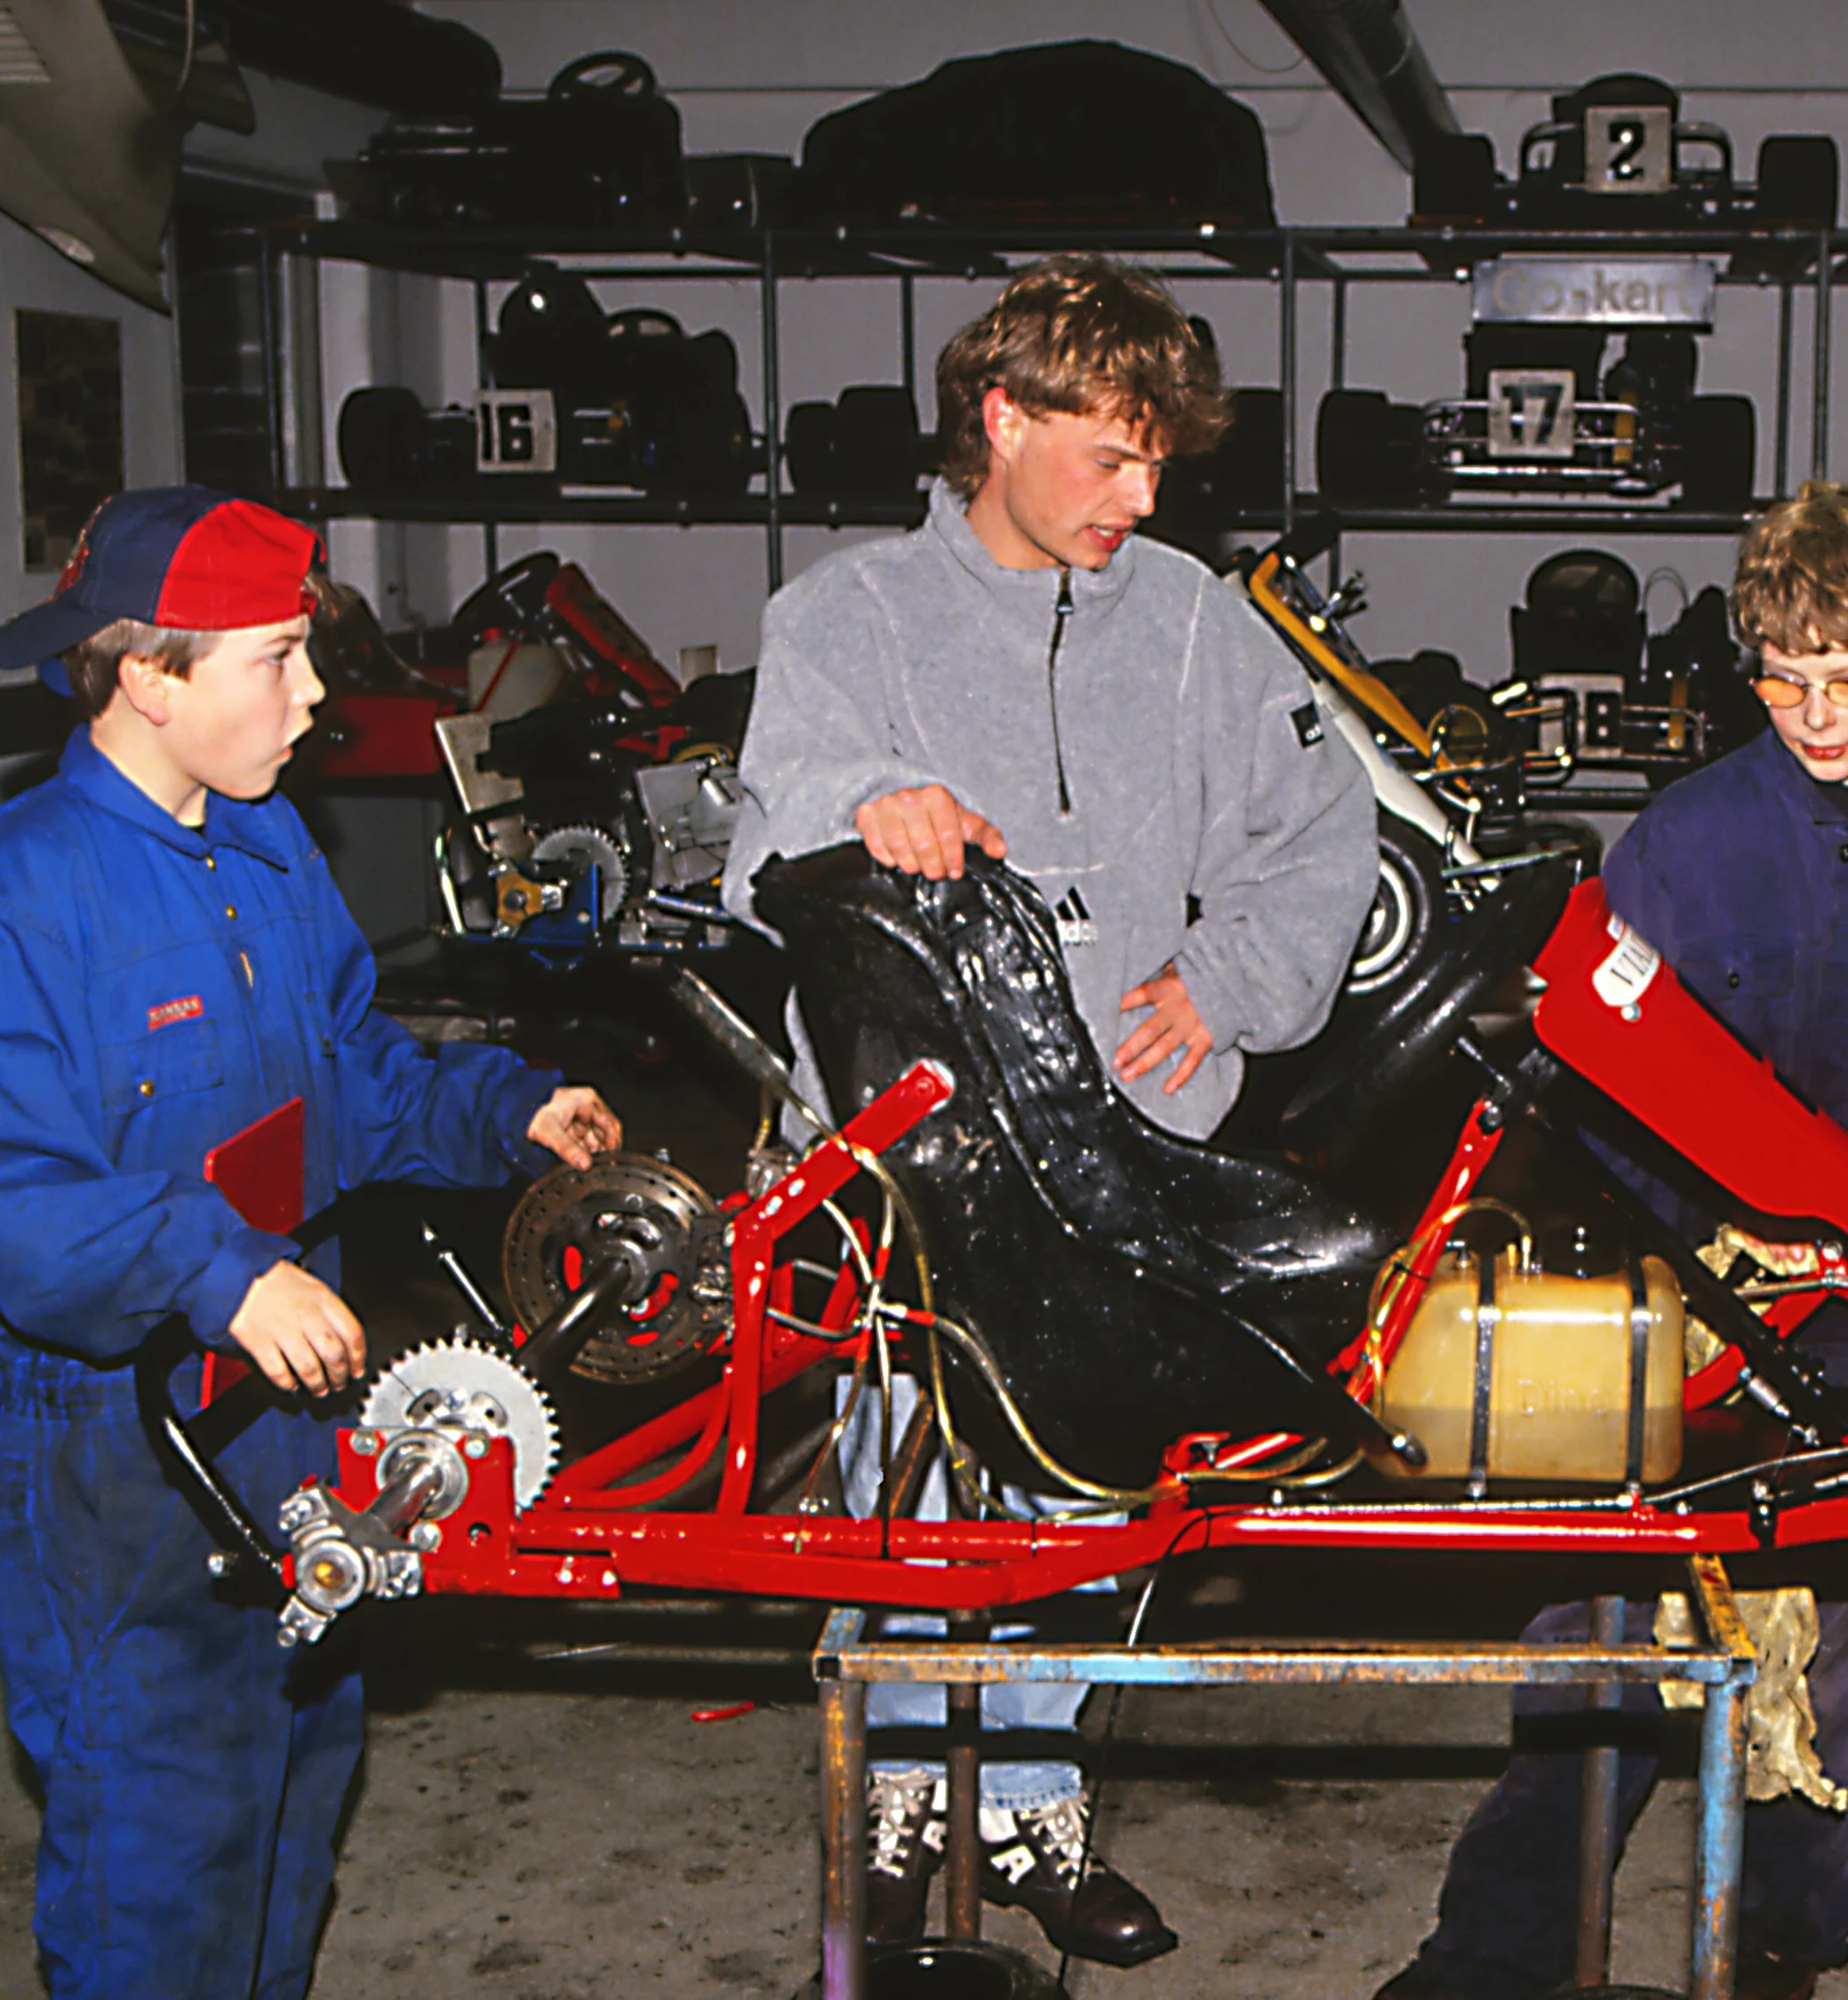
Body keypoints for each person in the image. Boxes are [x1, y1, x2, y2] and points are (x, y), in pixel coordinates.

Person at [724, 255, 1375, 1964]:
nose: (1142, 499)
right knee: (905, 1486)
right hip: (908, 1160)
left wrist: (1229, 979)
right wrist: (869, 799)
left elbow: (1324, 832)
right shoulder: (845, 617)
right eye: (1112, 456)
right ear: (1002, 420)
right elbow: (766, 826)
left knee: (1086, 1488)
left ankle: (1029, 1790)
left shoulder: (1194, 621)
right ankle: (895, 1791)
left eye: (1159, 463)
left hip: (1125, 1145)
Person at [1380, 480, 1848, 2000]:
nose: (1816, 714)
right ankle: (1494, 1947)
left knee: (1839, 1635)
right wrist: (1669, 1240)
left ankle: (1781, 1946)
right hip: (1693, 1268)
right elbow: (1603, 1078)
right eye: (1783, 679)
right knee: (1603, 1612)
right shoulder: (1687, 839)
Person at [0, 485, 621, 2000]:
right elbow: (12, 1194)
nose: (313, 701)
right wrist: (216, 1267)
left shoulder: (268, 847)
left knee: (295, 1801)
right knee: (159, 1846)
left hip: (293, 1407)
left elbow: (351, 1076)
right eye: (276, 661)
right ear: (148, 675)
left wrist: (505, 1109)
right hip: (118, 1450)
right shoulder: (12, 897)